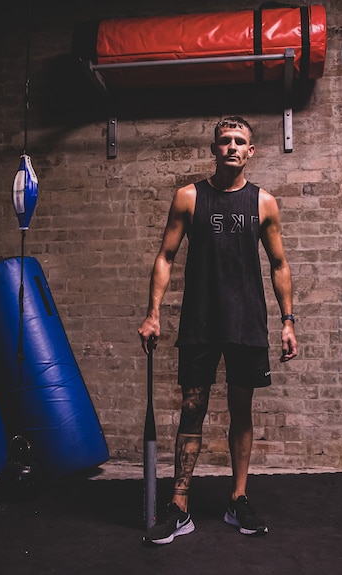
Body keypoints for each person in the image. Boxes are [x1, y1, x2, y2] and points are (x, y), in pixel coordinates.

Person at [137, 116, 297, 545]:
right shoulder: (189, 198)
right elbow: (165, 256)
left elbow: (279, 264)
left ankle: (237, 499)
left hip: (246, 321)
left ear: (251, 151)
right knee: (192, 408)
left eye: (239, 141)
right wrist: (153, 313)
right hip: (200, 322)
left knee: (241, 410)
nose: (231, 147)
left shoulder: (264, 203)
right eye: (224, 140)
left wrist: (287, 321)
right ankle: (179, 506)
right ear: (213, 149)